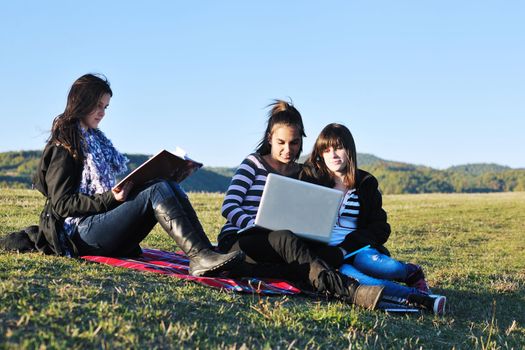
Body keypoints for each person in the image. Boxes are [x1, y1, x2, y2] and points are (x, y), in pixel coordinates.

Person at [30, 73, 243, 277]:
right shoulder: (65, 145)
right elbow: (62, 204)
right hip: (77, 234)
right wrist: (110, 198)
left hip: (97, 226)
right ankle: (200, 257)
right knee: (157, 189)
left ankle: (206, 253)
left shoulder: (96, 142)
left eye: (105, 107)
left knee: (165, 183)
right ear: (81, 102)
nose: (102, 112)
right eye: (98, 105)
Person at [217, 100, 385, 310]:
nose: (288, 149)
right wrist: (255, 224)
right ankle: (350, 291)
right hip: (239, 238)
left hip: (279, 244)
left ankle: (247, 271)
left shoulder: (302, 174)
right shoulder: (253, 163)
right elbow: (229, 206)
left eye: (294, 143)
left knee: (297, 259)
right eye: (281, 142)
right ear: (270, 138)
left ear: (301, 142)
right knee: (285, 239)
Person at [301, 123, 446, 315]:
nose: (333, 155)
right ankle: (421, 299)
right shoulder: (311, 182)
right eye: (326, 150)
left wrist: (349, 246)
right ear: (320, 154)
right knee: (363, 282)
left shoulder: (365, 184)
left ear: (349, 150)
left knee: (384, 267)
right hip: (332, 256)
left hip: (358, 248)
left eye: (338, 148)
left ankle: (410, 271)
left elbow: (380, 227)